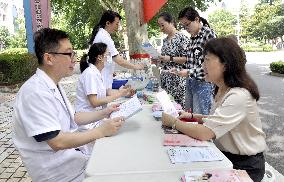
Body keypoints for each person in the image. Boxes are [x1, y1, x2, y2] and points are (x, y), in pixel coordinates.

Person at [12, 28, 124, 182]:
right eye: (69, 53)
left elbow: (75, 118)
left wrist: (105, 113)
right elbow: (57, 141)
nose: (74, 58)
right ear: (49, 58)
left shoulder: (53, 84)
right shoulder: (34, 92)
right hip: (60, 174)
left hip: (75, 161)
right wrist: (100, 132)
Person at [162, 37, 266, 182]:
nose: (202, 65)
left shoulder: (239, 95)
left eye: (207, 60)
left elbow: (206, 133)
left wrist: (173, 122)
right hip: (223, 157)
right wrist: (192, 116)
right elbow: (218, 120)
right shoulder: (221, 88)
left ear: (225, 63)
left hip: (245, 167)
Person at [75, 42, 132, 155]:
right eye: (108, 54)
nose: (109, 58)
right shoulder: (90, 74)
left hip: (97, 118)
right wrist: (118, 95)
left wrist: (124, 92)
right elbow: (94, 102)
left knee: (123, 125)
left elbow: (107, 91)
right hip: (88, 122)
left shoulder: (97, 73)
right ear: (100, 57)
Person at [173, 7, 217, 114]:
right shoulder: (192, 37)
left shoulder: (208, 34)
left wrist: (188, 72)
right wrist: (180, 70)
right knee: (189, 115)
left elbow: (213, 64)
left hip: (203, 83)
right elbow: (191, 61)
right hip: (190, 81)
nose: (186, 28)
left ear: (197, 19)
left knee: (199, 117)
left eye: (187, 24)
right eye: (183, 26)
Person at [89, 10, 145, 90]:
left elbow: (108, 59)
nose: (118, 26)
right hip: (101, 81)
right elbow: (119, 60)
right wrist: (136, 67)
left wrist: (110, 70)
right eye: (117, 23)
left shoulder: (102, 35)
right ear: (108, 23)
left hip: (104, 79)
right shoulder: (104, 37)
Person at [155, 12, 190, 108]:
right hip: (165, 79)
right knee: (166, 106)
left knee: (178, 108)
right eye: (159, 26)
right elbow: (164, 59)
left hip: (178, 80)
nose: (161, 28)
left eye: (163, 25)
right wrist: (158, 60)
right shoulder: (165, 40)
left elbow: (186, 59)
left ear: (171, 22)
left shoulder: (182, 38)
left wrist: (169, 58)